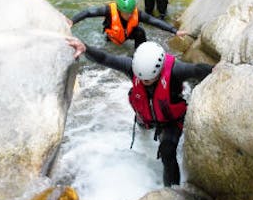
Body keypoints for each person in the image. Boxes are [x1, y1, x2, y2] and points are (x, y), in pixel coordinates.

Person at [66, 37, 213, 187]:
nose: (143, 82)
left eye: (148, 80)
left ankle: (171, 193)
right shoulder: (132, 67)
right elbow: (105, 58)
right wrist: (86, 48)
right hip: (145, 116)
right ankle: (146, 132)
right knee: (144, 133)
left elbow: (198, 70)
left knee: (167, 152)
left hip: (170, 121)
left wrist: (219, 70)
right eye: (141, 79)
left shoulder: (176, 70)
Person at [70, 0, 188, 49]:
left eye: (131, 12)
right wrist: (72, 21)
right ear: (119, 10)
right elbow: (88, 12)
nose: (129, 15)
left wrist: (174, 31)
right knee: (107, 49)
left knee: (140, 32)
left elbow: (154, 22)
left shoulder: (137, 13)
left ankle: (138, 55)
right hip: (112, 36)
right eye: (126, 13)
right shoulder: (109, 10)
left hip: (128, 34)